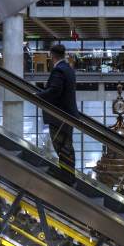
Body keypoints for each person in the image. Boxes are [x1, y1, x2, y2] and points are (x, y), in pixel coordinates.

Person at [37, 43, 77, 174]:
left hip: (58, 116)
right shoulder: (69, 68)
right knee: (67, 147)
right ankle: (68, 174)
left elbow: (55, 90)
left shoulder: (58, 70)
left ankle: (66, 175)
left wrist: (38, 96)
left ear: (51, 55)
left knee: (61, 146)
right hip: (68, 115)